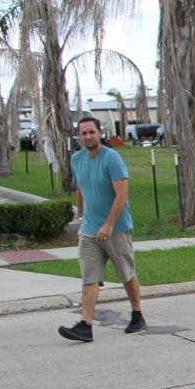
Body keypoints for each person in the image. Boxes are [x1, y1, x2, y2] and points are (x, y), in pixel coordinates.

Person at [58, 116, 145, 342]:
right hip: (89, 230)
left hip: (116, 229)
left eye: (91, 132)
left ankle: (137, 314)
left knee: (126, 273)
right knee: (89, 277)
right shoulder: (77, 159)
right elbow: (81, 188)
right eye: (83, 133)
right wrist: (81, 214)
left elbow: (122, 194)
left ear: (100, 133)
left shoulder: (112, 159)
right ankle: (85, 325)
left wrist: (108, 224)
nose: (87, 136)